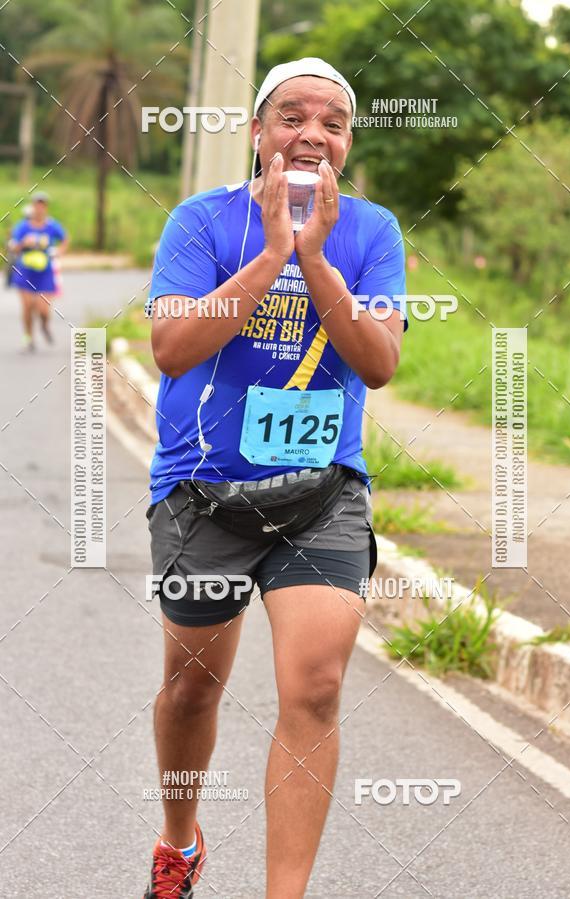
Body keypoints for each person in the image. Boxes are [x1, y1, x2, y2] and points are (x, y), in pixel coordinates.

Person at [142, 57, 408, 899]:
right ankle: (180, 842)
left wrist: (319, 260)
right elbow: (173, 348)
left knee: (318, 684)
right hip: (203, 490)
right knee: (191, 688)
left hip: (323, 491)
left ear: (347, 140)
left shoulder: (372, 233)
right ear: (258, 133)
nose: (312, 134)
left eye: (332, 122)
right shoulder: (200, 221)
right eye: (292, 116)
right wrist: (271, 256)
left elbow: (379, 362)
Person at [9, 191, 68, 351]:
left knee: (43, 309)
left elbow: (64, 240)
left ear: (46, 207)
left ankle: (44, 325)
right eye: (37, 204)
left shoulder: (52, 226)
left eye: (43, 205)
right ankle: (28, 337)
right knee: (28, 306)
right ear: (33, 207)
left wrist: (59, 252)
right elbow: (12, 246)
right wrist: (23, 244)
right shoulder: (23, 226)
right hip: (25, 272)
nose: (39, 208)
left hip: (45, 273)